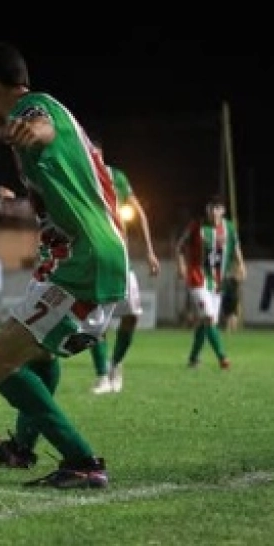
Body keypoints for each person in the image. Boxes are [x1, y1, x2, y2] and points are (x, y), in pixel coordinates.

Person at [0, 41, 129, 489]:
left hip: (83, 258)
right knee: (40, 354)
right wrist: (14, 206)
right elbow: (55, 198)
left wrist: (32, 130)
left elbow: (42, 125)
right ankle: (21, 448)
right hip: (81, 255)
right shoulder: (43, 118)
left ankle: (82, 461)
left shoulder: (34, 108)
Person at [88, 140, 160, 394]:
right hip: (92, 259)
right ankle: (101, 376)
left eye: (95, 152)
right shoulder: (78, 175)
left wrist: (149, 251)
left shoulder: (116, 177)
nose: (92, 156)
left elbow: (138, 213)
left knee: (132, 316)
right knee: (95, 320)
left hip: (120, 258)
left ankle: (115, 364)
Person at [175, 193, 247, 369]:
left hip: (217, 283)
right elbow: (179, 246)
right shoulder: (196, 226)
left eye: (217, 208)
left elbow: (236, 248)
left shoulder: (229, 228)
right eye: (210, 208)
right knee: (208, 317)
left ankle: (193, 358)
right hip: (197, 279)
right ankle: (223, 358)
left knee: (205, 322)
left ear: (223, 211)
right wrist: (181, 265)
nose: (213, 212)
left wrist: (241, 265)